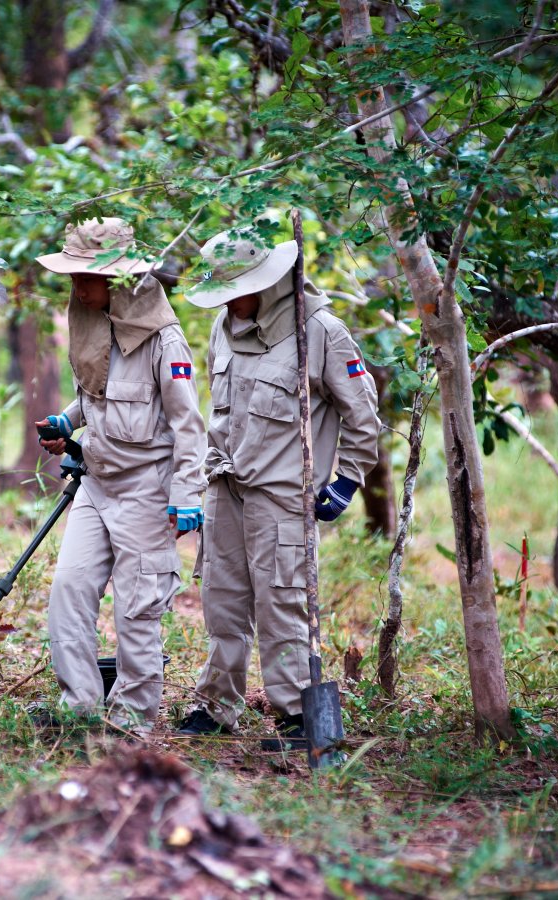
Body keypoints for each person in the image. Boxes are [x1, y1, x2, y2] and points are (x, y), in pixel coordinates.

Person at [175, 223, 380, 749]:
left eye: (234, 291)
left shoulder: (321, 331)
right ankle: (217, 705)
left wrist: (348, 480)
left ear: (262, 283)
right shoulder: (223, 326)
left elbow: (362, 413)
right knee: (221, 601)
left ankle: (294, 714)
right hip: (225, 484)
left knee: (281, 603)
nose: (227, 303)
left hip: (281, 495)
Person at [34, 217, 207, 733]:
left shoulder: (163, 342)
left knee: (137, 609)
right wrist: (69, 419)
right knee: (69, 591)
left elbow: (188, 427)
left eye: (84, 277)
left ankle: (132, 721)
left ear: (114, 281)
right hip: (95, 482)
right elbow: (97, 395)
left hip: (146, 491)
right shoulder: (93, 324)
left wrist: (187, 495)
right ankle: (80, 709)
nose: (75, 287)